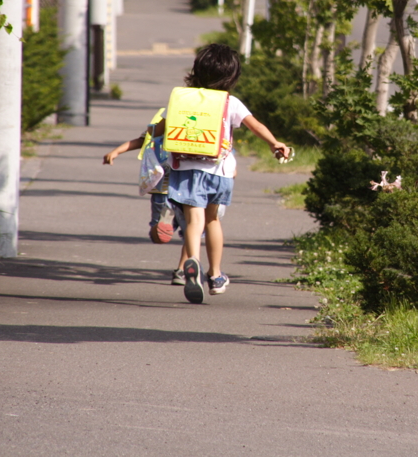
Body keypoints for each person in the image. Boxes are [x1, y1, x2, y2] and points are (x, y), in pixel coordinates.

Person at [130, 44, 290, 304]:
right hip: (220, 171)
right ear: (231, 76)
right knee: (212, 220)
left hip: (187, 169)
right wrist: (275, 144)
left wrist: (148, 137)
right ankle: (215, 276)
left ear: (196, 71)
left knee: (194, 222)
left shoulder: (184, 100)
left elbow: (158, 130)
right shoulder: (230, 102)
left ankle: (191, 261)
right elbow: (255, 125)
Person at [102, 110, 185, 245]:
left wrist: (116, 151)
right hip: (187, 189)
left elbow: (142, 140)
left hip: (161, 189)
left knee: (157, 235)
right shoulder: (196, 127)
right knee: (192, 233)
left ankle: (162, 223)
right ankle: (184, 264)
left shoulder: (163, 119)